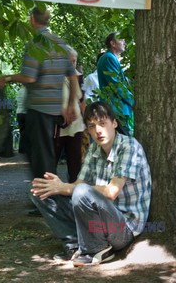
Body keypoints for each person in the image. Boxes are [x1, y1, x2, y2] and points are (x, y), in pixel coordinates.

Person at [31, 101, 151, 266]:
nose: (98, 130)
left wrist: (65, 187)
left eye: (102, 124)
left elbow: (111, 192)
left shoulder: (129, 147)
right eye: (92, 126)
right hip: (99, 220)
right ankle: (74, 245)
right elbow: (77, 185)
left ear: (114, 123)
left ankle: (97, 249)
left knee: (80, 191)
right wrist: (57, 187)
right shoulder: (94, 149)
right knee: (40, 192)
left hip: (123, 227)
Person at [0, 7, 79, 181]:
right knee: (47, 153)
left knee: (40, 157)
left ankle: (46, 200)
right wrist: (71, 104)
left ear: (32, 19)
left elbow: (29, 78)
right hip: (56, 109)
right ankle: (48, 197)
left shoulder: (36, 44)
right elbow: (72, 76)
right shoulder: (60, 43)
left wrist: (7, 78)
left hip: (39, 108)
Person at [55, 47, 85, 183]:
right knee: (51, 161)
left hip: (76, 126)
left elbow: (81, 99)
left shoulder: (77, 76)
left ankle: (75, 191)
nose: (72, 64)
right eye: (69, 61)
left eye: (74, 61)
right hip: (56, 127)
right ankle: (47, 193)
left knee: (75, 162)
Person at [97, 32, 134, 135]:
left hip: (118, 109)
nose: (124, 42)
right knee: (124, 143)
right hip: (115, 109)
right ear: (113, 43)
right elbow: (116, 85)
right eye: (121, 39)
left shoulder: (112, 58)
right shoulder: (109, 58)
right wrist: (133, 101)